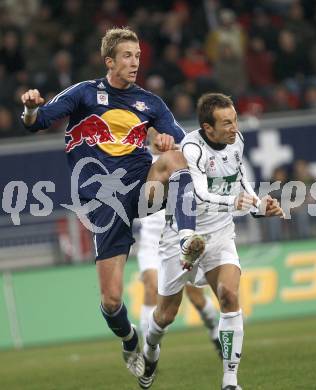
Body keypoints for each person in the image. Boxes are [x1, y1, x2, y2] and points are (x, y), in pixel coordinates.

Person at [20, 27, 205, 379]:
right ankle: (131, 339)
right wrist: (30, 109)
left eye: (137, 55)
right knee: (111, 300)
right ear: (109, 61)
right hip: (103, 201)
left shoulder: (150, 103)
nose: (135, 62)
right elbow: (38, 121)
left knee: (178, 159)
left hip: (140, 185)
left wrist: (165, 140)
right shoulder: (84, 94)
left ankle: (186, 236)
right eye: (127, 56)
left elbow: (185, 144)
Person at [140, 93, 284, 390]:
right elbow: (202, 194)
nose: (235, 127)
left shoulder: (236, 142)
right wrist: (239, 202)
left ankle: (230, 381)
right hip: (180, 232)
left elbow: (242, 182)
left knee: (229, 296)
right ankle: (149, 350)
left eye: (235, 120)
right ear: (208, 128)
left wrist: (260, 205)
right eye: (227, 123)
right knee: (165, 316)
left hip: (220, 233)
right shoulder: (192, 148)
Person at [138, 200, 222, 359]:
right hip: (152, 236)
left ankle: (214, 331)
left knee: (196, 297)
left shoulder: (179, 176)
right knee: (151, 288)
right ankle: (148, 352)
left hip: (178, 232)